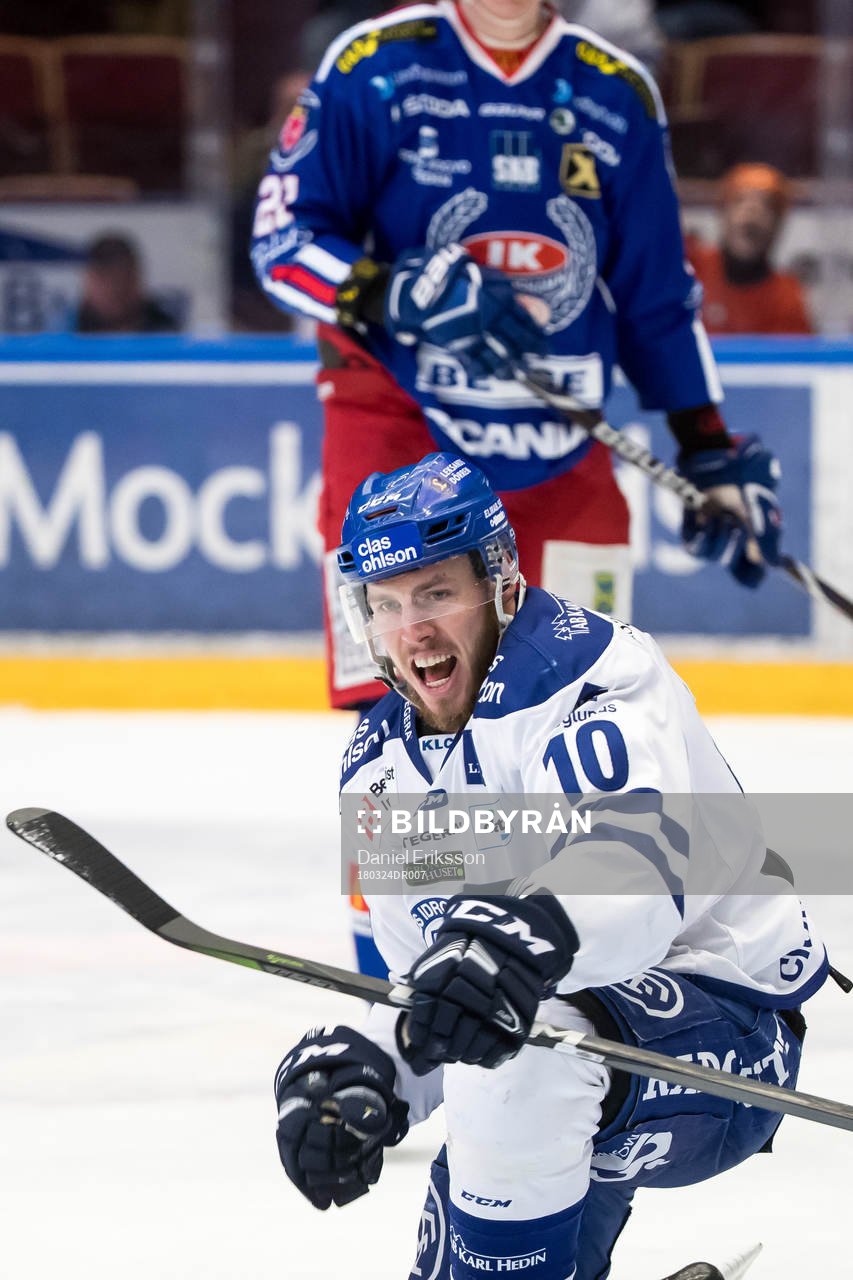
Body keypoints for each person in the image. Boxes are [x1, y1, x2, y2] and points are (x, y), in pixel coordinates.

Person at [251, 0, 785, 977]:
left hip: (560, 447)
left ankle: (553, 973)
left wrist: (705, 443)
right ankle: (408, 996)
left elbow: (656, 293)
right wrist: (385, 289)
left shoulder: (615, 95)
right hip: (398, 432)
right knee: (404, 728)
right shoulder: (375, 67)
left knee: (588, 710)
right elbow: (283, 238)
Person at [272, 451, 826, 1280]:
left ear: (498, 579)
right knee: (492, 1157)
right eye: (385, 605)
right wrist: (373, 1066)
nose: (411, 631)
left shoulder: (588, 675)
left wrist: (508, 943)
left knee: (523, 1066)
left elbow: (631, 879)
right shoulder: (376, 767)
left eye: (434, 594)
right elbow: (443, 990)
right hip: (561, 1040)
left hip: (727, 1025)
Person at [686, 163, 813, 335]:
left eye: (766, 205)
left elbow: (794, 358)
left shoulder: (787, 297)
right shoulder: (690, 269)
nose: (752, 212)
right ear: (722, 212)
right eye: (740, 201)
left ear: (778, 223)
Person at [73, 233, 180, 334]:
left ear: (137, 279)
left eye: (122, 277)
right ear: (87, 282)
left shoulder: (166, 333)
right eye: (103, 276)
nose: (113, 288)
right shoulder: (64, 331)